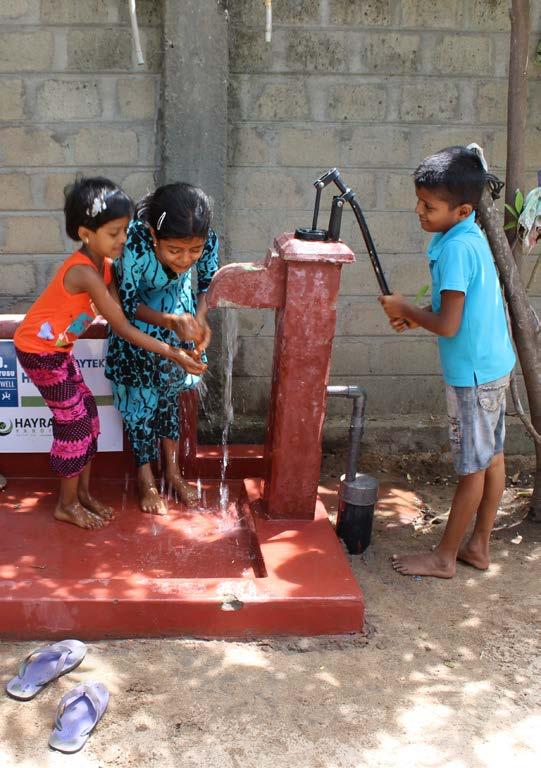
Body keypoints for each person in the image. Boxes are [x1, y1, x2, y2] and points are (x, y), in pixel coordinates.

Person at [13, 177, 199, 530]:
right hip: (39, 354)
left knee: (90, 421)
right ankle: (65, 504)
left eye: (125, 230)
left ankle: (81, 495)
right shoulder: (84, 272)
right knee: (74, 427)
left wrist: (172, 322)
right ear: (86, 233)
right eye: (114, 233)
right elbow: (124, 328)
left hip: (58, 352)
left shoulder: (105, 267)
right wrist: (173, 352)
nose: (123, 240)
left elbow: (124, 311)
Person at [379, 146, 516, 578]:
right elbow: (456, 309)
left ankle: (445, 557)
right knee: (491, 458)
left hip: (473, 375)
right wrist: (415, 317)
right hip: (493, 364)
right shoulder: (462, 234)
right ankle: (477, 546)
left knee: (473, 468)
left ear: (462, 208)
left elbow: (451, 323)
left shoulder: (456, 248)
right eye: (419, 201)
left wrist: (405, 307)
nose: (419, 211)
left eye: (429, 206)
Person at [105, 182, 218, 516]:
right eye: (174, 250)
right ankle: (146, 478)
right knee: (139, 405)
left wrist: (198, 322)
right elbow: (126, 306)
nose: (185, 259)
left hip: (178, 318)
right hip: (138, 330)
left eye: (193, 250)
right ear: (154, 235)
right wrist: (171, 322)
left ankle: (172, 471)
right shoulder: (134, 244)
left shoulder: (206, 237)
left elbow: (208, 284)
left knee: (169, 398)